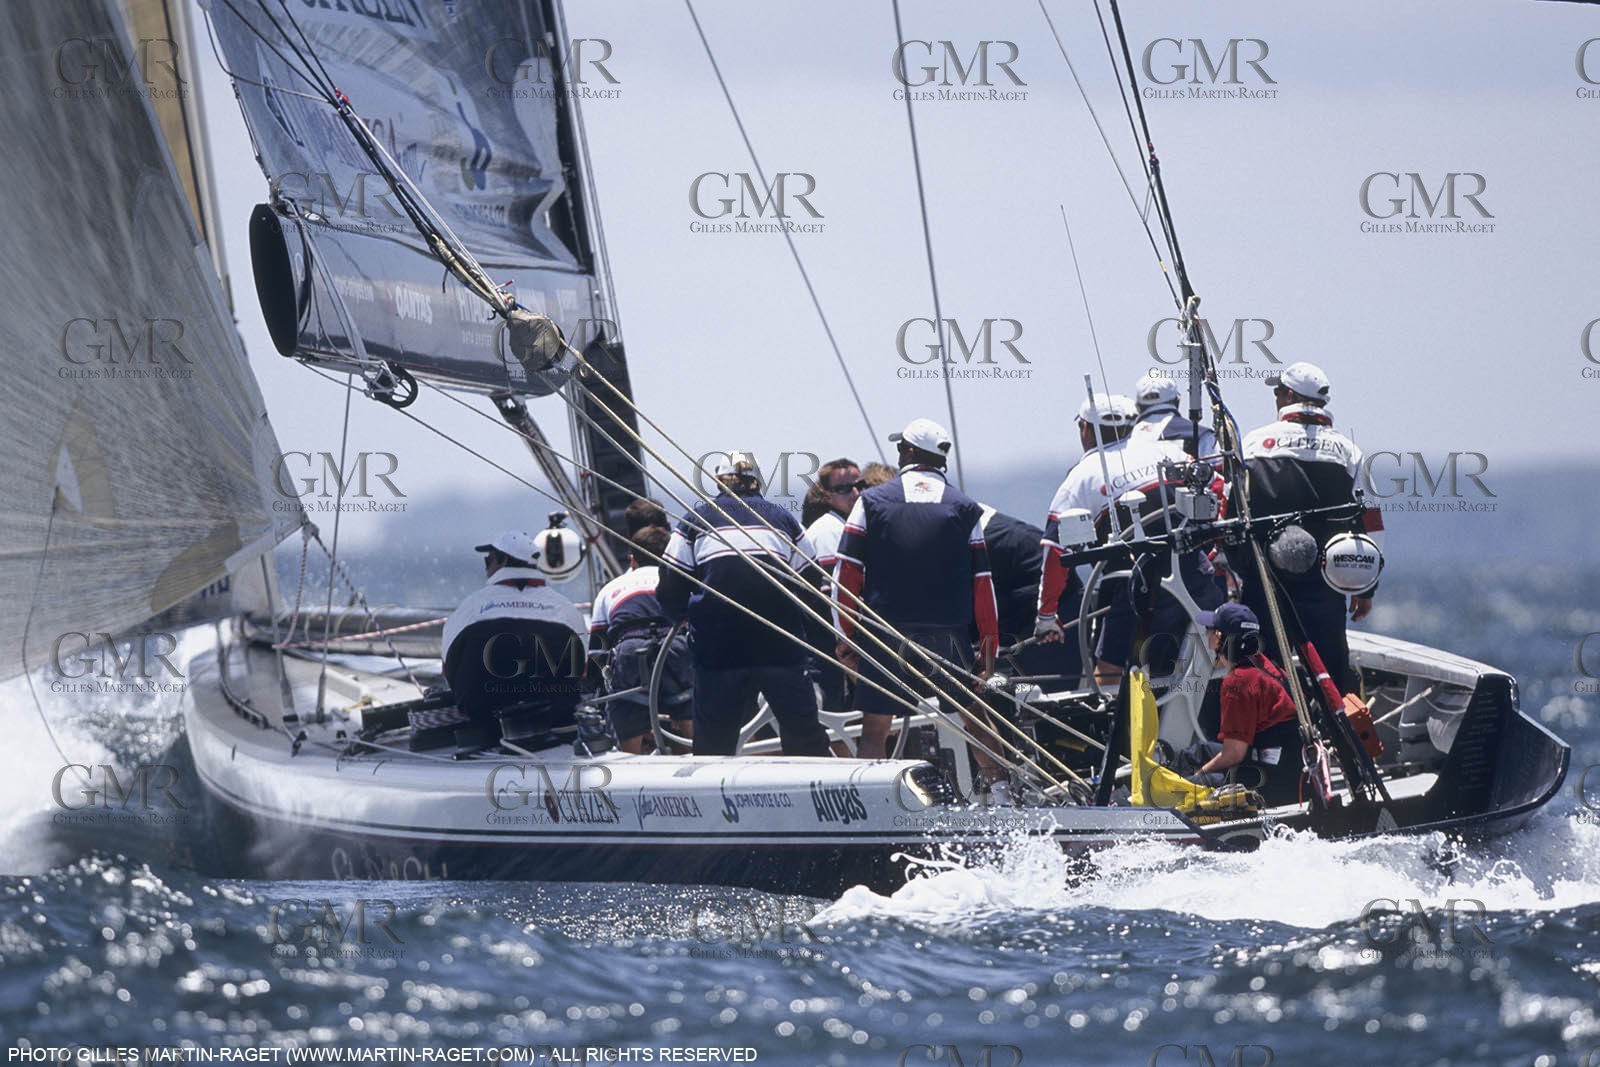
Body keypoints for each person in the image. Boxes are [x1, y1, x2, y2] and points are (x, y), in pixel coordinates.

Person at [834, 418, 999, 761]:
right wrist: (988, 648)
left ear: (908, 452)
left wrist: (846, 636)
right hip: (949, 636)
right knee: (976, 719)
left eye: (899, 449)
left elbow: (846, 574)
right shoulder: (966, 508)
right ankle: (1002, 796)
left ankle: (872, 808)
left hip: (886, 634)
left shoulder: (871, 502)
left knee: (875, 730)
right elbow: (983, 584)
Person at [1037, 391, 1224, 687]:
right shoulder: (1169, 452)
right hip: (1196, 575)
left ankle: (1107, 726)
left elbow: (1054, 550)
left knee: (1108, 669)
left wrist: (1047, 613)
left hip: (1133, 588)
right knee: (1216, 652)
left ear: (1084, 429)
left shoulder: (1080, 477)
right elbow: (1218, 488)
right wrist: (1212, 551)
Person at [657, 452, 831, 757]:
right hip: (780, 646)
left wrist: (681, 618)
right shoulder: (782, 518)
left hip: (719, 650)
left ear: (719, 484)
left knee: (714, 740)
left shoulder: (695, 520)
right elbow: (812, 585)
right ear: (756, 483)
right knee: (804, 735)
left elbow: (670, 585)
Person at [1233, 361, 1383, 691]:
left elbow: (1232, 514)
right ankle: (1338, 738)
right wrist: (1365, 587)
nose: (1274, 397)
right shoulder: (1349, 451)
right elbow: (1371, 523)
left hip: (1265, 582)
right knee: (1332, 676)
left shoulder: (1253, 444)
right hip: (1327, 584)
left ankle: (1271, 741)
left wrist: (1236, 570)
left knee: (1261, 672)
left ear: (1288, 395)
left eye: (1277, 392)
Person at [440, 530, 589, 746]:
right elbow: (582, 670)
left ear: (503, 560)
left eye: (488, 559)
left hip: (486, 729)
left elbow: (448, 672)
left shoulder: (468, 609)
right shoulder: (566, 609)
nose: (486, 566)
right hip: (557, 725)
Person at [1172, 602, 1304, 805]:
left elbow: (1233, 754)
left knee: (1194, 783)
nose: (1206, 635)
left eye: (1210, 630)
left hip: (1270, 782)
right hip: (1287, 768)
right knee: (1199, 752)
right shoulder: (1267, 667)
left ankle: (1159, 805)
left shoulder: (1238, 682)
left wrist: (1196, 777)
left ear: (1218, 638)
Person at [588, 525, 691, 753]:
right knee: (689, 711)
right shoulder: (679, 581)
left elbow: (597, 651)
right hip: (674, 646)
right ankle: (695, 752)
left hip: (629, 651)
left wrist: (602, 683)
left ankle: (631, 756)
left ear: (633, 560)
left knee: (625, 711)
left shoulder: (610, 589)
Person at [803, 458, 863, 713]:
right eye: (844, 489)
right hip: (832, 651)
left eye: (860, 485)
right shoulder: (829, 532)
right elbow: (834, 601)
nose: (856, 493)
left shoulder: (845, 527)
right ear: (827, 495)